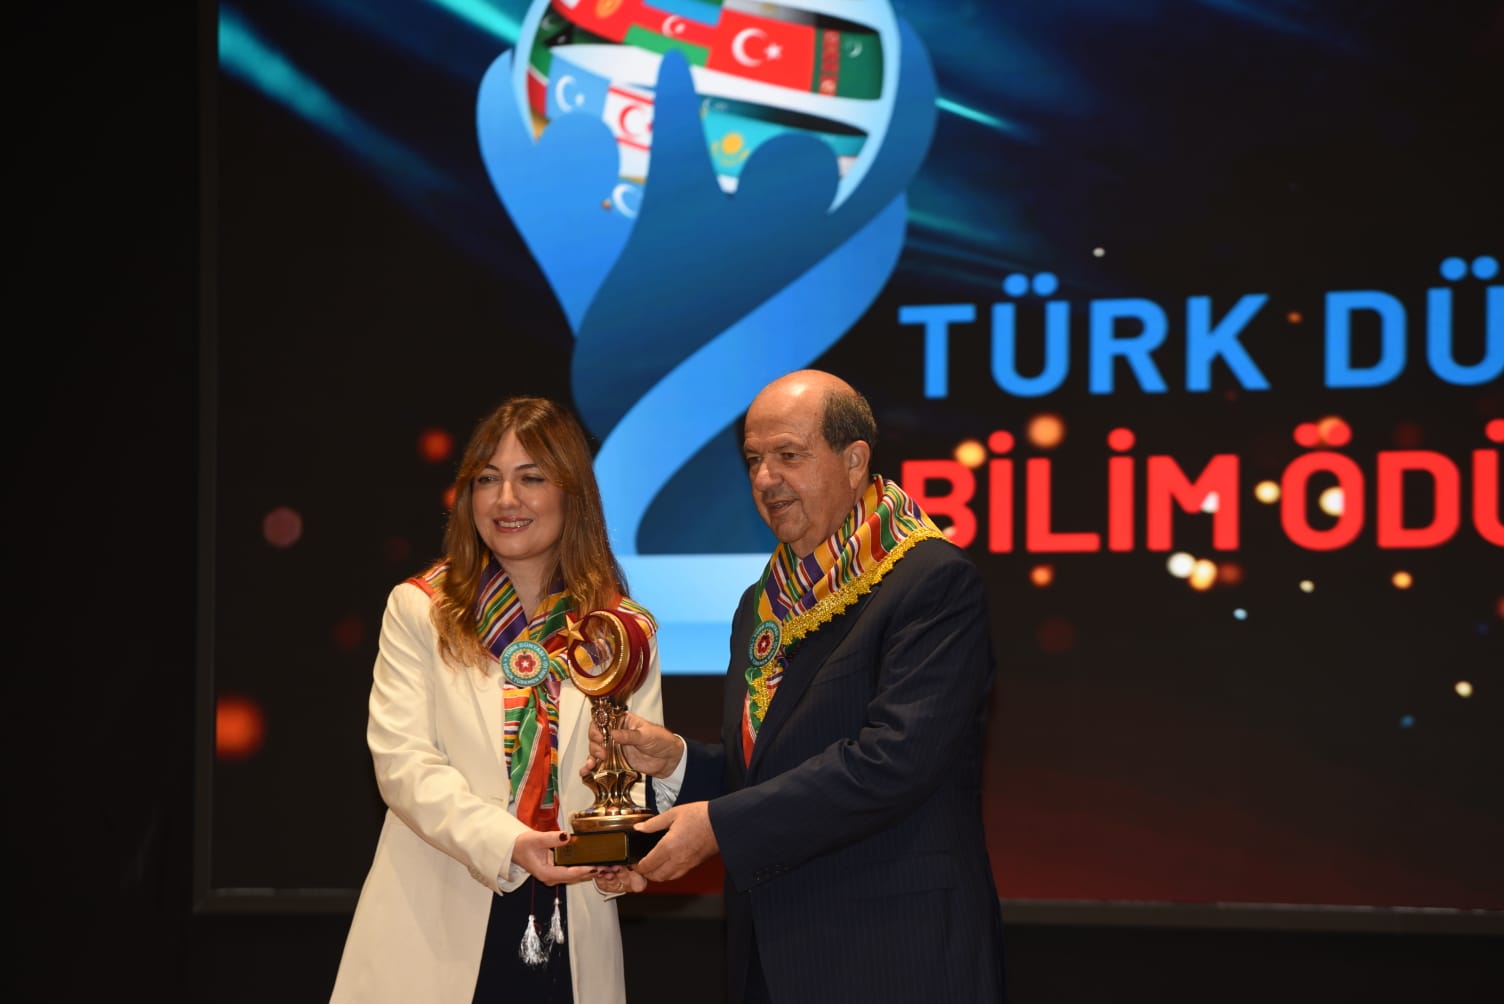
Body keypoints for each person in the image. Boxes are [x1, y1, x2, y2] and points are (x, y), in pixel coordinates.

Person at [591, 369, 1007, 1002]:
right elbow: (771, 771)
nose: (765, 478)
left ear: (854, 461)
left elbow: (892, 762)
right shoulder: (761, 603)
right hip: (771, 956)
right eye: (753, 460)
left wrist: (719, 827)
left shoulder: (931, 581)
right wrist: (677, 762)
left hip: (896, 956)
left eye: (788, 455)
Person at [332, 396, 662, 1004]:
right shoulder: (421, 608)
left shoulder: (619, 628)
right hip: (439, 916)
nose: (505, 499)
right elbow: (402, 765)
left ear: (573, 494)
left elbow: (641, 776)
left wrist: (629, 856)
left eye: (531, 478)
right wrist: (509, 842)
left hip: (575, 915)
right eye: (487, 479)